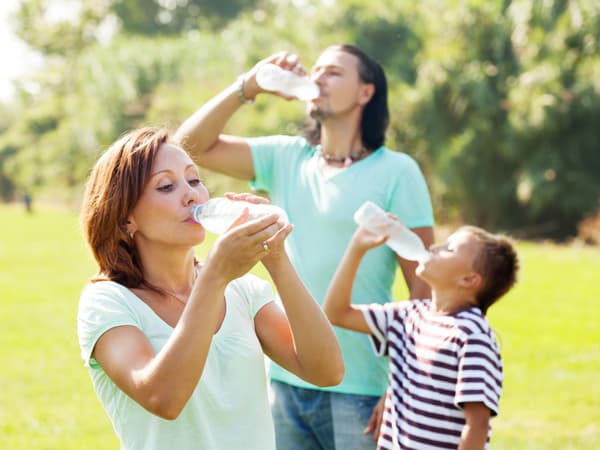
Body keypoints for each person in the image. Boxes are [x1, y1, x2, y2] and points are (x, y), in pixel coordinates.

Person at [174, 44, 435, 449]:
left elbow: (423, 288)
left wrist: (405, 387)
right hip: (284, 375)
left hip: (362, 384)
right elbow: (187, 147)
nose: (318, 79)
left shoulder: (398, 171)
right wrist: (249, 86)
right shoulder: (285, 157)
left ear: (365, 92)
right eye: (315, 71)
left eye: (332, 72)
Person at [77, 127, 344, 450]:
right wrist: (214, 277)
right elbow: (164, 398)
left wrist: (276, 260)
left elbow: (326, 370)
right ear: (125, 221)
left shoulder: (243, 290)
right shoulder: (108, 302)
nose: (192, 195)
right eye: (166, 186)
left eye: (194, 180)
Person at [323, 223, 519, 450]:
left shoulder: (472, 335)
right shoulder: (407, 315)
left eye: (449, 249)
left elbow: (476, 425)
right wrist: (357, 248)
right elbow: (336, 313)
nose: (434, 247)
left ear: (468, 280)